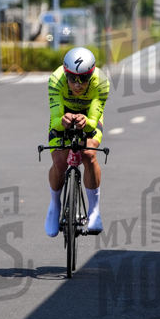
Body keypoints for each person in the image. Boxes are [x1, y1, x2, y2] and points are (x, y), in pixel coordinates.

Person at [45, 47, 110, 237]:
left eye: (84, 78)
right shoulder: (56, 80)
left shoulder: (102, 82)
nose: (78, 84)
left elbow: (93, 121)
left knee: (89, 154)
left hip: (89, 116)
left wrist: (87, 123)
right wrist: (62, 121)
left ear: (92, 74)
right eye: (72, 78)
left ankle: (94, 210)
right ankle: (54, 206)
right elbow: (55, 118)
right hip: (62, 115)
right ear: (65, 73)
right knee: (59, 162)